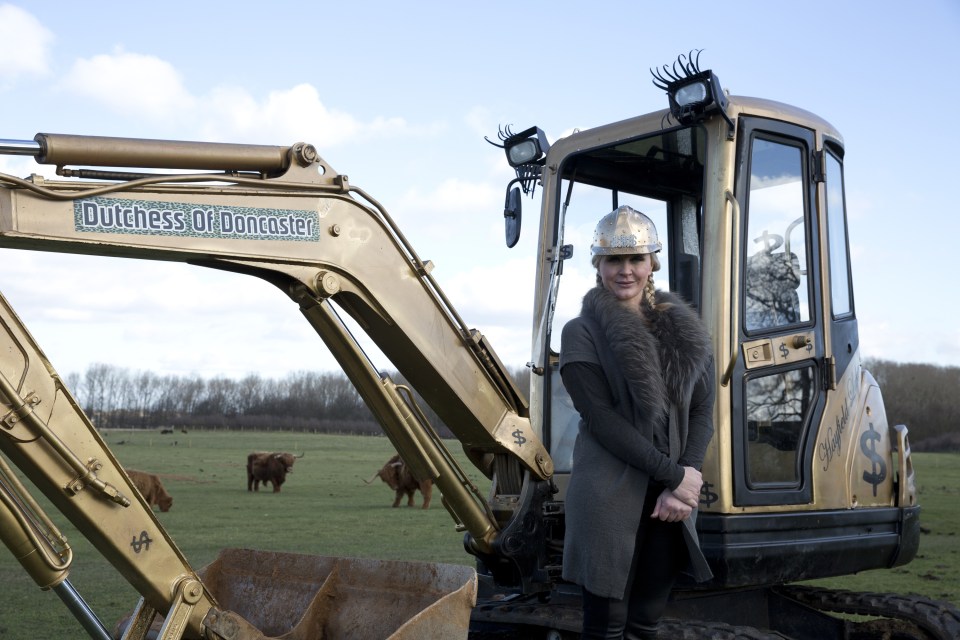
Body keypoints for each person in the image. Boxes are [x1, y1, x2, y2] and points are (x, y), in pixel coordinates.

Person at [559, 205, 716, 640]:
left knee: (645, 625)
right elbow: (602, 420)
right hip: (610, 493)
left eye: (636, 260)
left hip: (672, 497)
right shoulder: (581, 333)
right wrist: (676, 478)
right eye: (614, 260)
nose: (625, 271)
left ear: (652, 264)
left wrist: (684, 480)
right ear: (599, 265)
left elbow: (703, 410)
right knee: (606, 629)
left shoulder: (683, 330)